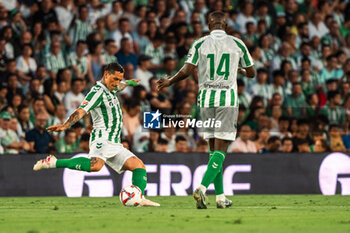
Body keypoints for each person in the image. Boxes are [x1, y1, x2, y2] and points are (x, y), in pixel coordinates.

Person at [157, 11, 255, 209]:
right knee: (221, 150)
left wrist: (170, 81)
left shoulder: (200, 43)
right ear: (225, 25)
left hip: (205, 100)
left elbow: (186, 70)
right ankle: (202, 188)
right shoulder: (237, 43)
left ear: (209, 26)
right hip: (227, 99)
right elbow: (252, 73)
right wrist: (240, 70)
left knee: (213, 150)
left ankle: (220, 197)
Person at [33, 63, 159, 207]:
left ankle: (139, 197)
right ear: (106, 74)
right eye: (115, 79)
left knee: (139, 166)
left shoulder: (112, 88)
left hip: (114, 141)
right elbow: (81, 110)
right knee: (96, 166)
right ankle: (53, 162)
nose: (117, 83)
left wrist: (130, 82)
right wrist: (65, 125)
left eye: (119, 79)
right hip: (102, 138)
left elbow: (120, 86)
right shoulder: (96, 92)